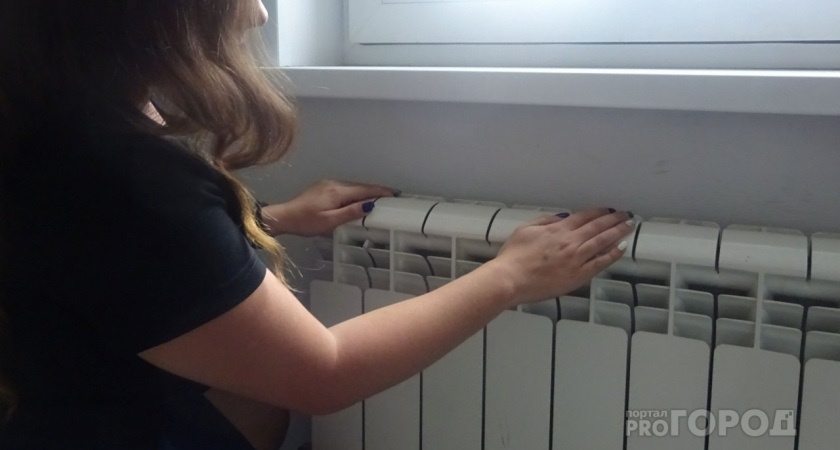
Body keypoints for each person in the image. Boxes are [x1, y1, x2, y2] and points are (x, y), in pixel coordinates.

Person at [0, 1, 635, 448]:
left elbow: (100, 264)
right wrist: (510, 276)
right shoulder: (123, 176)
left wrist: (264, 220)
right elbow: (322, 374)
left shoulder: (50, 130)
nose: (258, 14)